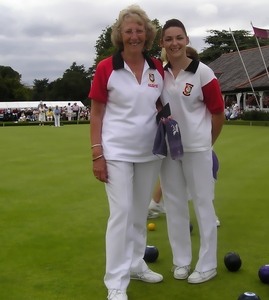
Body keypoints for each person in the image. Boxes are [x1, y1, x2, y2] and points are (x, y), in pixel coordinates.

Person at [88, 5, 164, 300]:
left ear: (148, 34)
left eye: (139, 30)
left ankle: (135, 264)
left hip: (149, 152)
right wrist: (97, 154)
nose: (134, 36)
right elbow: (96, 113)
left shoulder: (156, 67)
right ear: (120, 35)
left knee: (138, 213)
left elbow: (158, 104)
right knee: (120, 214)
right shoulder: (106, 67)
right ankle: (115, 283)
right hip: (116, 151)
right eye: (128, 31)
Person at [159, 19, 225, 284]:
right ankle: (181, 262)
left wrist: (206, 144)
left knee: (203, 205)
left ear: (186, 40)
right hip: (168, 150)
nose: (174, 43)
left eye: (179, 38)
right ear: (162, 43)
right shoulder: (158, 73)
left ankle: (207, 264)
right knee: (174, 205)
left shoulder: (203, 73)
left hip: (198, 149)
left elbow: (218, 113)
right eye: (168, 39)